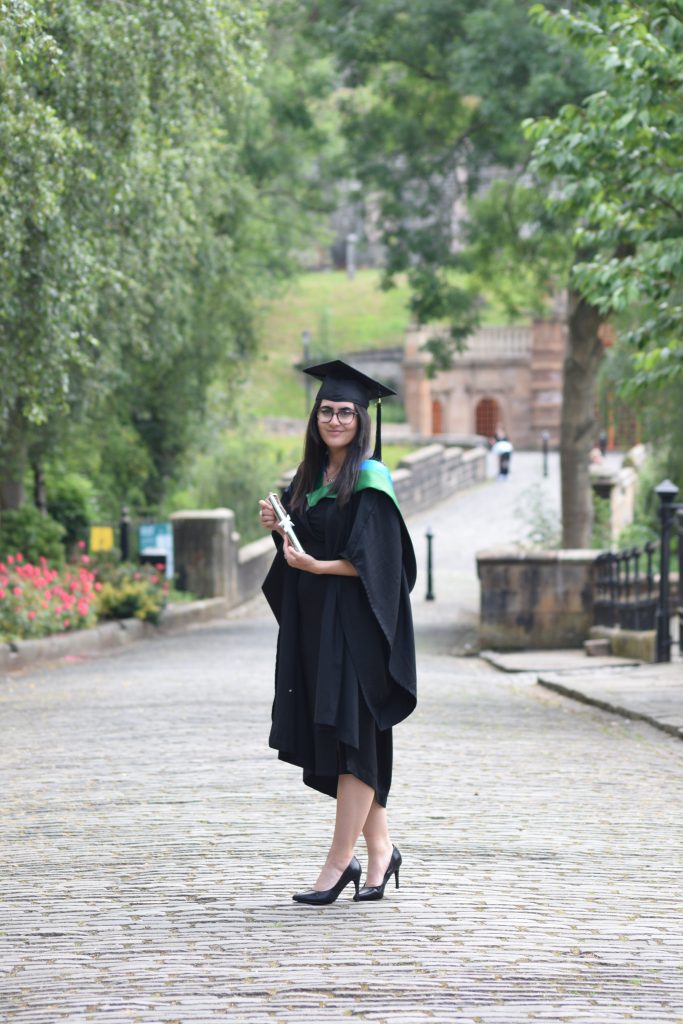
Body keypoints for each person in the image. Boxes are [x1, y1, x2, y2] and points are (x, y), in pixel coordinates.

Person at [259, 360, 417, 906]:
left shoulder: (371, 480)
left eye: (345, 411)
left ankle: (337, 863)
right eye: (326, 410)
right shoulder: (309, 479)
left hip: (359, 629)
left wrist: (318, 568)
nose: (334, 419)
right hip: (320, 630)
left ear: (360, 419)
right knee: (351, 743)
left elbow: (379, 564)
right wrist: (279, 525)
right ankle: (381, 853)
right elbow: (299, 547)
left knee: (354, 743)